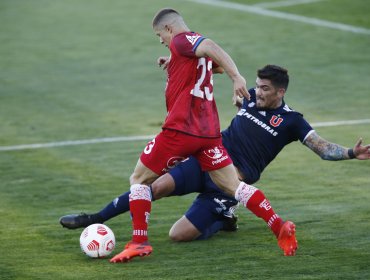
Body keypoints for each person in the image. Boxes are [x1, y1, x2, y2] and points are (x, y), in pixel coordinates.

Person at [61, 65, 370, 256]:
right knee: (153, 187)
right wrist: (177, 65)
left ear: (280, 91)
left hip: (229, 183)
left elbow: (321, 147)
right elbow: (213, 72)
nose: (257, 92)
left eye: (264, 88)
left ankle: (222, 217)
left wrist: (350, 153)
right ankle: (95, 218)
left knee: (178, 236)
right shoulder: (249, 97)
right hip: (206, 158)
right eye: (257, 86)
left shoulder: (292, 121)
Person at [102, 8, 298, 263]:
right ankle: (278, 226)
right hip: (208, 135)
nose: (161, 40)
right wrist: (173, 62)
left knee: (138, 179)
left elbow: (210, 46)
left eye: (160, 34)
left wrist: (236, 76)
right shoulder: (185, 51)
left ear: (169, 29)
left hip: (181, 130)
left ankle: (139, 241)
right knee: (233, 187)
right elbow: (208, 65)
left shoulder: (184, 39)